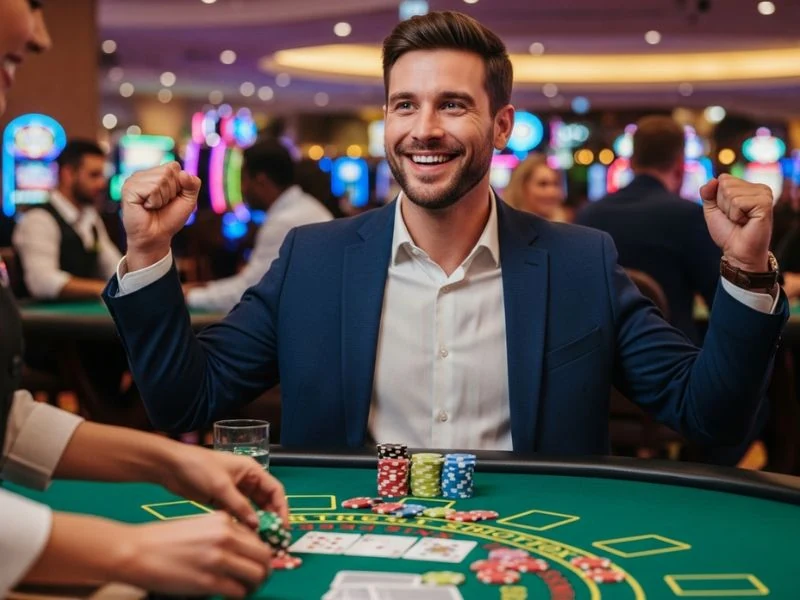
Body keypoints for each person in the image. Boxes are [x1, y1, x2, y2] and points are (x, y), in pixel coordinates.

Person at [104, 11, 786, 454]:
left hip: (529, 554)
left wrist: (748, 272)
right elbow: (186, 400)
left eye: (452, 105)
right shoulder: (314, 259)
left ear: (501, 126)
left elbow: (710, 418)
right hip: (351, 550)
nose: (424, 129)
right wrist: (149, 251)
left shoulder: (581, 262)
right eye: (405, 105)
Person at [0, 2, 286, 597]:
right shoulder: (38, 219)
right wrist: (127, 549)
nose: (44, 37)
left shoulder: (92, 223)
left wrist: (173, 461)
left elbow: (7, 423)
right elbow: (49, 283)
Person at [576, 116, 721, 344]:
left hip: (602, 355)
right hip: (672, 352)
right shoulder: (689, 215)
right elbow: (720, 300)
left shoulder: (589, 214)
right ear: (680, 164)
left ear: (631, 161)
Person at [185, 139, 332, 313]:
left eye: (244, 180)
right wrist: (206, 288)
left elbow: (251, 292)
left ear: (261, 181)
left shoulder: (284, 222)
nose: (241, 189)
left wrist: (189, 296)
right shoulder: (305, 206)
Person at [13, 140, 121, 300]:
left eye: (102, 176)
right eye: (94, 175)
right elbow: (41, 282)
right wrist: (104, 289)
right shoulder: (38, 218)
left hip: (81, 313)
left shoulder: (90, 217)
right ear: (68, 174)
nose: (102, 184)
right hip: (40, 315)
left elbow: (113, 266)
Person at [504, 153, 568, 222]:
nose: (552, 192)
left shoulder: (565, 225)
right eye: (542, 184)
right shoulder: (504, 224)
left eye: (556, 184)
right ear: (522, 187)